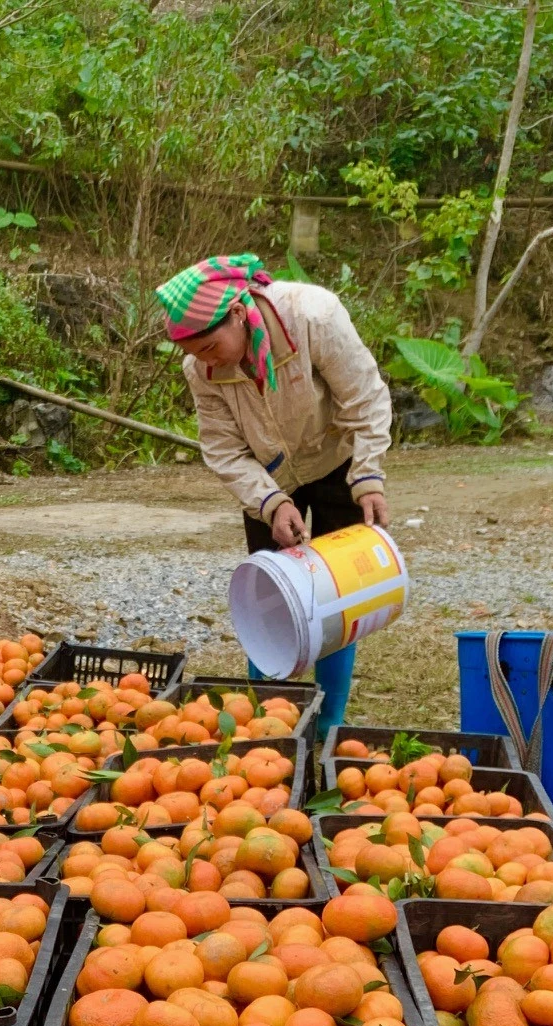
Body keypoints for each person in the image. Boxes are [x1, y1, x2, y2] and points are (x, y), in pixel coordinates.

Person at [157, 253, 394, 730]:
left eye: (210, 347)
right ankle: (266, 716)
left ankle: (329, 721)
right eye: (195, 353)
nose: (206, 360)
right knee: (270, 592)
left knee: (339, 590)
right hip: (267, 475)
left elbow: (365, 398)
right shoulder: (200, 368)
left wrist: (367, 475)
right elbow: (223, 449)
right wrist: (270, 503)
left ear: (238, 313)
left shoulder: (313, 316)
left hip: (334, 457)